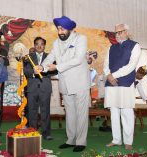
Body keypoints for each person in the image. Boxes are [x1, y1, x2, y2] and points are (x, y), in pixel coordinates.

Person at [41, 16, 91, 152]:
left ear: (70, 29)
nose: (60, 32)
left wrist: (56, 67)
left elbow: (78, 59)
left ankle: (81, 141)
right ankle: (71, 140)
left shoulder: (80, 38)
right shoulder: (57, 43)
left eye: (62, 29)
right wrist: (42, 67)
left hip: (80, 82)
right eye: (58, 29)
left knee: (81, 113)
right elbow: (51, 57)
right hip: (66, 83)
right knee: (70, 113)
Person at [103, 24, 141, 150]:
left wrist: (113, 75)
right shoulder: (111, 47)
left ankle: (128, 141)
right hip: (111, 83)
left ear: (127, 32)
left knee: (126, 112)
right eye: (116, 32)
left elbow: (131, 65)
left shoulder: (135, 45)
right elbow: (106, 64)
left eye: (120, 32)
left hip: (126, 82)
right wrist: (108, 75)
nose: (118, 34)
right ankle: (116, 139)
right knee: (114, 112)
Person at [23, 37, 53, 140]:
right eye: (37, 44)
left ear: (44, 45)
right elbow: (25, 71)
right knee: (32, 111)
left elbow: (55, 71)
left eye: (41, 44)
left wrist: (44, 70)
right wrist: (33, 72)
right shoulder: (28, 57)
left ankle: (46, 133)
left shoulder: (50, 57)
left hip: (45, 86)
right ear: (34, 45)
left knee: (45, 110)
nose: (39, 46)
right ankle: (33, 132)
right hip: (32, 87)